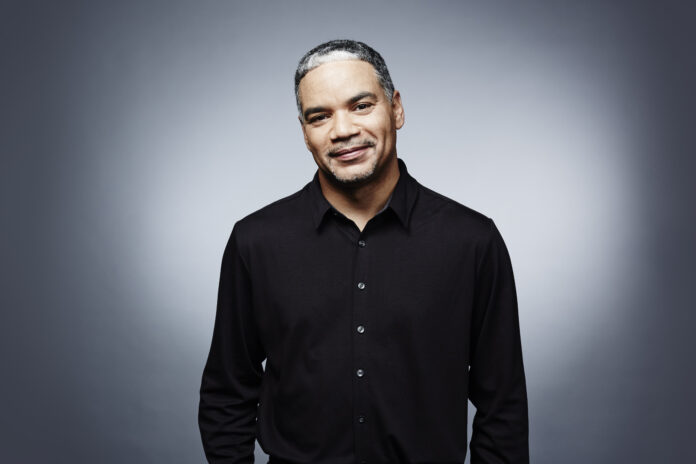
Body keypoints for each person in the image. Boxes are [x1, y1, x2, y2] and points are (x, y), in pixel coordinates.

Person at [198, 39, 529, 464]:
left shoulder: (473, 241)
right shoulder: (255, 241)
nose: (342, 130)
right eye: (320, 116)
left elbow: (503, 407)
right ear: (304, 132)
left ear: (396, 109)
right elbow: (227, 394)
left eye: (360, 106)